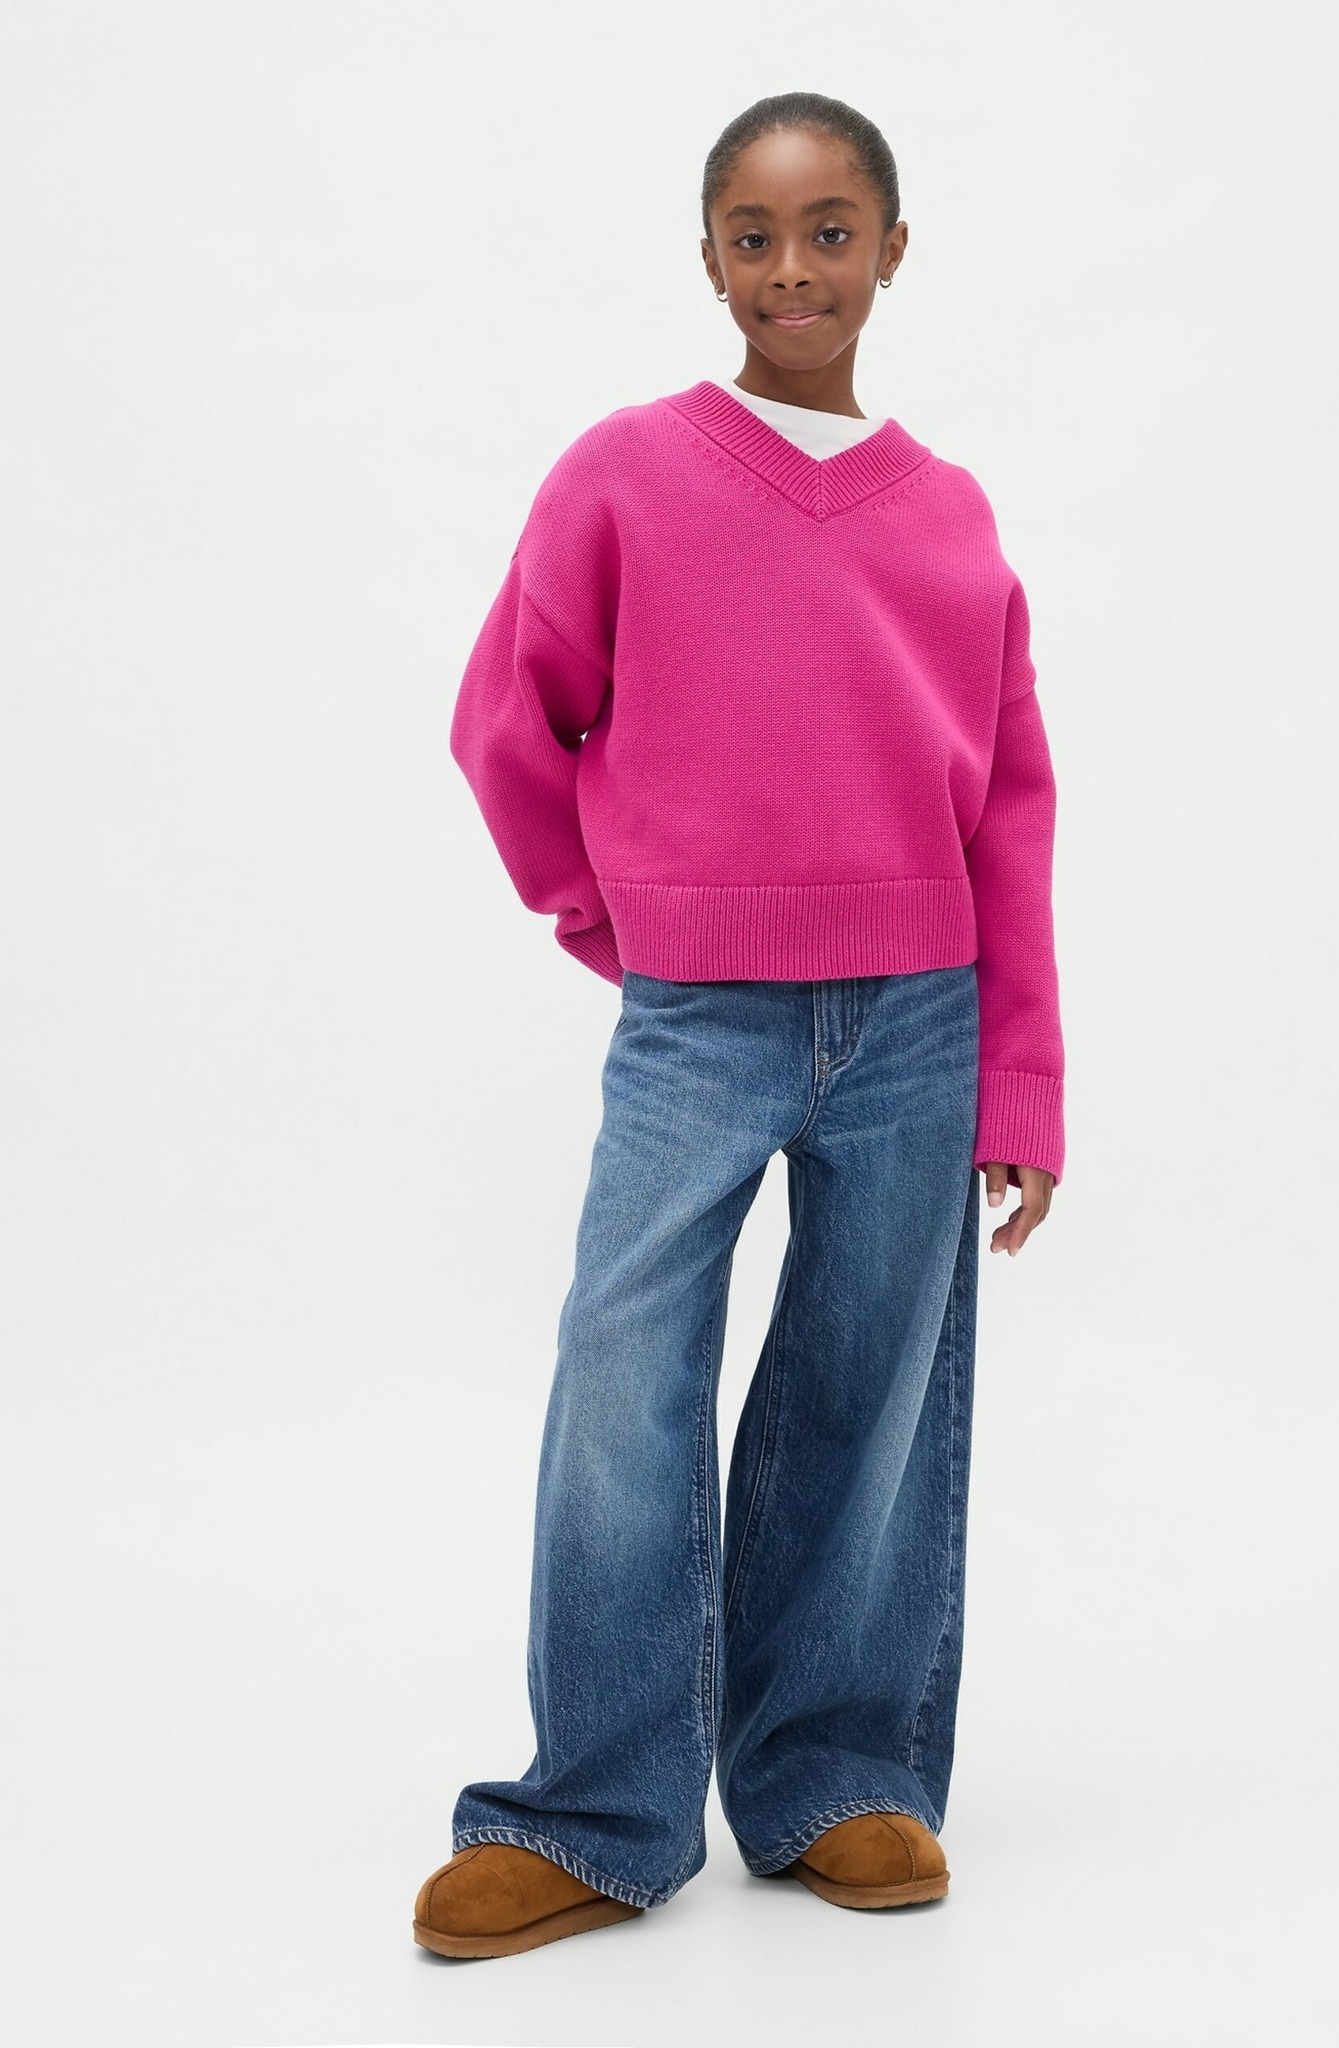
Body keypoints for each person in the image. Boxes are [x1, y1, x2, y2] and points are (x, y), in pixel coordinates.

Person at [413, 89, 1065, 1960]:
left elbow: (1011, 808)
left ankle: (834, 1770)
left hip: (919, 1017)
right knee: (626, 1369)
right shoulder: (625, 473)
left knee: (873, 1385)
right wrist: (616, 922)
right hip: (699, 1016)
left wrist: (1019, 1078)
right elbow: (505, 720)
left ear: (891, 250)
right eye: (756, 235)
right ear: (709, 258)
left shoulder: (952, 515)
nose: (795, 267)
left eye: (831, 230)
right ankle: (595, 1809)